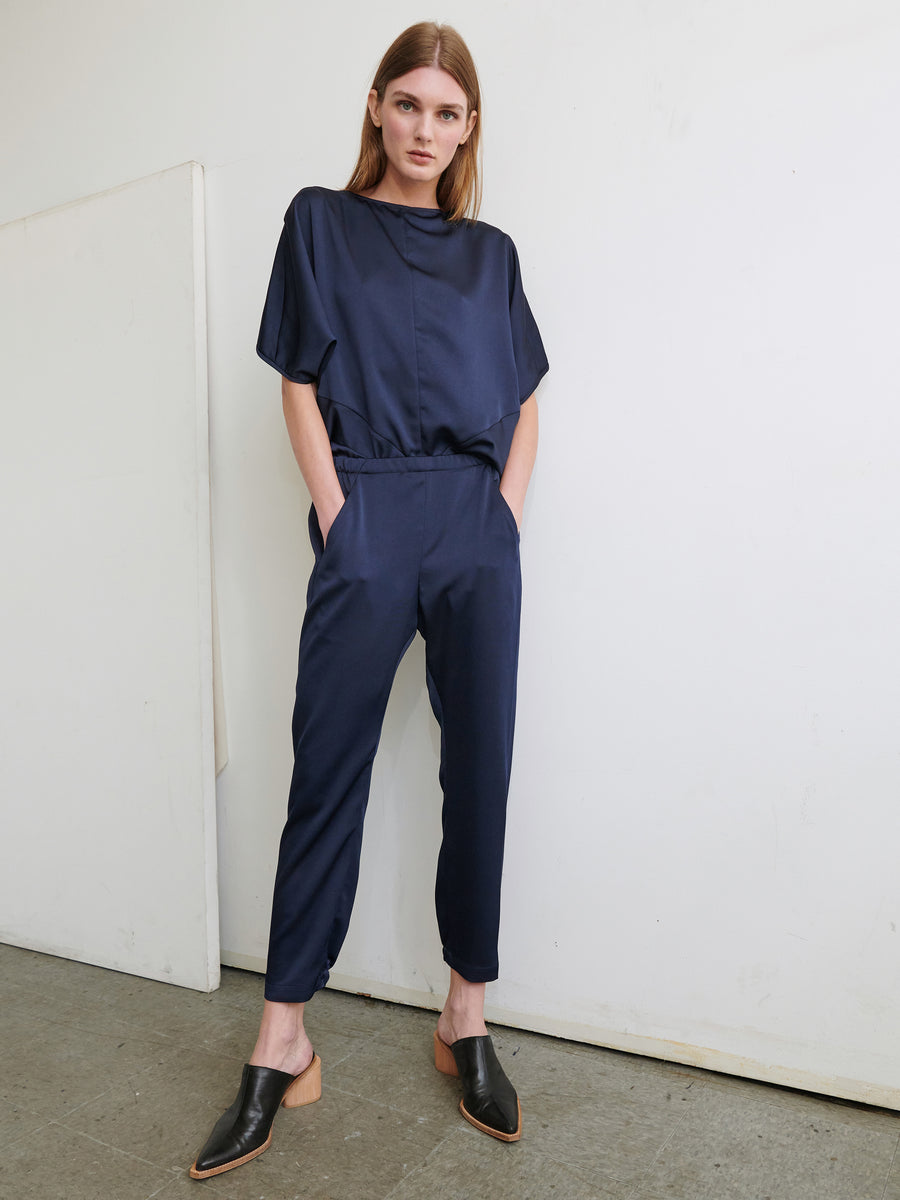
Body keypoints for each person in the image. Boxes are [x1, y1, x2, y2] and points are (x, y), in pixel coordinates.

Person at [189, 20, 549, 1181]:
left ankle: (466, 1018)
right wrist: (343, 518)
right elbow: (299, 384)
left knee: (478, 771)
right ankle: (283, 1040)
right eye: (408, 106)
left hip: (471, 523)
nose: (425, 131)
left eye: (448, 114)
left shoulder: (492, 255)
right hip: (370, 511)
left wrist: (502, 515)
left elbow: (529, 397)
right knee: (327, 771)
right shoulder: (320, 222)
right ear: (377, 108)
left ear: (469, 128)